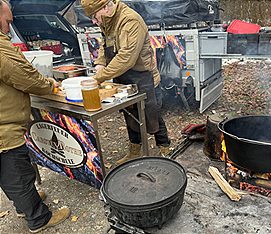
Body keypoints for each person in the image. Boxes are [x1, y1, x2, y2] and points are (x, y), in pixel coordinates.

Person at [0, 0, 70, 232]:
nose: (10, 26)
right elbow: (25, 77)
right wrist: (49, 85)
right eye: (8, 20)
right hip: (3, 129)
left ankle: (24, 204)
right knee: (16, 171)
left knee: (7, 173)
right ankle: (38, 217)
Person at [81, 0, 171, 163]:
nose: (94, 21)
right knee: (130, 113)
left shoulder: (130, 20)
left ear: (105, 7)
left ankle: (165, 148)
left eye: (94, 16)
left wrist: (99, 78)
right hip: (123, 75)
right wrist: (100, 63)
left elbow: (126, 57)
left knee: (152, 113)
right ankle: (135, 151)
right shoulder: (108, 21)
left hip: (143, 75)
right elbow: (104, 43)